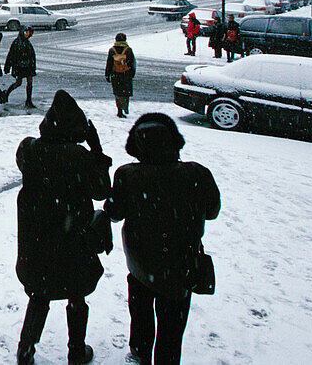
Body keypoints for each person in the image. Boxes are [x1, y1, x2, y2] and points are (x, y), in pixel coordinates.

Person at [105, 113, 220, 365]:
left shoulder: (127, 175)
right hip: (181, 264)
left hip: (140, 264)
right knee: (172, 326)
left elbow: (113, 213)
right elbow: (212, 212)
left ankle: (140, 353)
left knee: (141, 312)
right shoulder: (197, 174)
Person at [15, 91, 112, 365]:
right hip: (72, 244)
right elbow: (102, 191)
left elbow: (27, 162)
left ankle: (26, 350)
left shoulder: (29, 149)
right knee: (76, 297)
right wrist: (97, 150)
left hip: (37, 244)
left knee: (39, 297)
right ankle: (76, 351)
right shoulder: (80, 157)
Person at [4, 27, 38, 108]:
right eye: (26, 32)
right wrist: (7, 67)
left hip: (28, 66)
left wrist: (32, 65)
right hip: (19, 66)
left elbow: (32, 55)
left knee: (29, 81)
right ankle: (6, 94)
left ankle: (29, 100)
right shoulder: (17, 42)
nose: (27, 34)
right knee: (18, 83)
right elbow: (11, 55)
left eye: (29, 32)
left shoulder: (27, 42)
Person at [105, 32, 136, 118]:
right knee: (126, 92)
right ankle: (125, 107)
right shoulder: (128, 50)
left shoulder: (112, 50)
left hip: (116, 75)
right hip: (126, 75)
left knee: (118, 93)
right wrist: (131, 73)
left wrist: (107, 75)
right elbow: (132, 63)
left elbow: (109, 64)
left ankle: (120, 110)